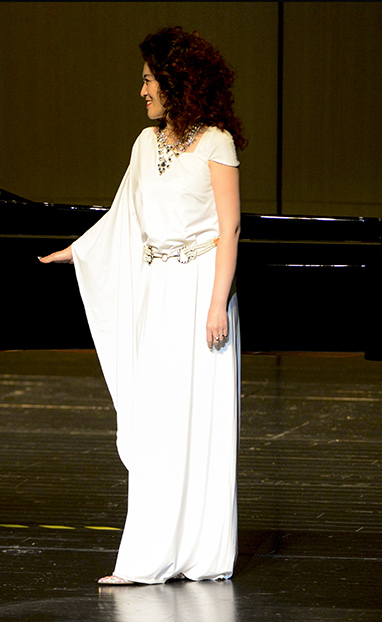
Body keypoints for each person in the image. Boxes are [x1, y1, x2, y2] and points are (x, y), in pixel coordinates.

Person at [40, 27, 245, 584]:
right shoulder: (143, 143)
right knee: (157, 421)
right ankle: (148, 554)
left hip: (201, 286)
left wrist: (217, 304)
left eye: (149, 80)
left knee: (196, 421)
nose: (143, 91)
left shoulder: (216, 143)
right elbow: (122, 217)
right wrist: (75, 253)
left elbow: (229, 229)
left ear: (177, 82)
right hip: (160, 290)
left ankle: (199, 552)